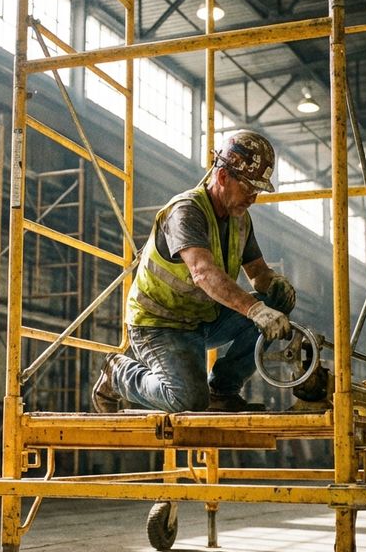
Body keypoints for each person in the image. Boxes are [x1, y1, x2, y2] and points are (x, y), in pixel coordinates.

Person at [91, 130, 296, 414]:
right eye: (249, 188)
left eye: (257, 190)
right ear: (223, 177)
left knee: (276, 301)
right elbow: (202, 272)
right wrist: (255, 310)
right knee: (188, 401)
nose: (253, 197)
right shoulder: (186, 212)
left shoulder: (240, 220)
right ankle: (119, 375)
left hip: (203, 320)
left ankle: (222, 390)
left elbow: (258, 274)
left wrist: (276, 286)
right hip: (159, 325)